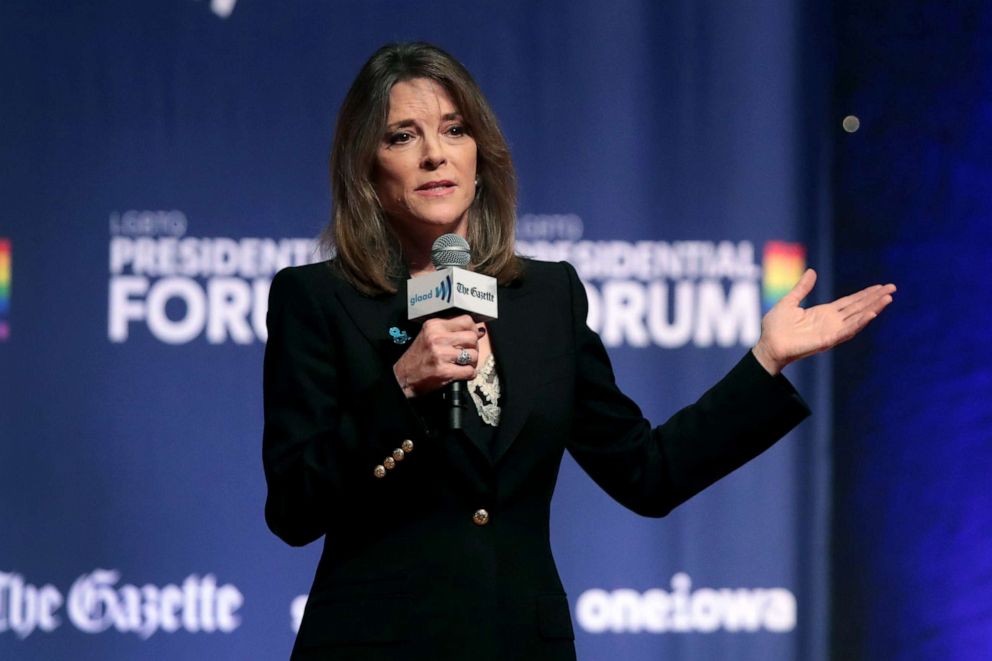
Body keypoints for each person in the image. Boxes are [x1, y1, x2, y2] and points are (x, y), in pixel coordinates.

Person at [262, 42, 895, 661]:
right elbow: (293, 509)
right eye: (402, 136)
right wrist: (398, 390)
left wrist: (766, 362)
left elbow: (648, 474)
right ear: (366, 168)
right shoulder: (317, 300)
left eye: (453, 130)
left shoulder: (546, 297)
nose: (434, 155)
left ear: (480, 157)